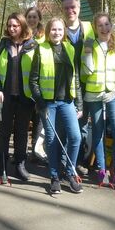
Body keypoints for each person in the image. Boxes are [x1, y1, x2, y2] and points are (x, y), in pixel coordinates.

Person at [30, 18, 84, 195]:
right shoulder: (41, 49)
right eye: (53, 29)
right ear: (48, 31)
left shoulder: (70, 48)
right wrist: (40, 103)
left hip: (67, 102)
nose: (57, 32)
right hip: (48, 104)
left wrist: (79, 104)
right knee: (52, 141)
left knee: (75, 137)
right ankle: (54, 177)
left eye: (60, 29)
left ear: (64, 32)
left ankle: (70, 172)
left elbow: (75, 78)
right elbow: (33, 80)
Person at [81, 12, 115, 192]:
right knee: (97, 133)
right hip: (94, 95)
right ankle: (101, 170)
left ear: (111, 25)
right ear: (95, 28)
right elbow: (85, 73)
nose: (104, 28)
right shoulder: (90, 44)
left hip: (114, 94)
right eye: (100, 25)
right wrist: (87, 53)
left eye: (107, 24)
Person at [0, 13, 36, 183]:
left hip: (26, 97)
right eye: (9, 25)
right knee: (3, 132)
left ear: (22, 26)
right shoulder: (2, 45)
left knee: (22, 132)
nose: (12, 28)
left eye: (15, 25)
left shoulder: (32, 45)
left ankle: (20, 164)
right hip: (5, 97)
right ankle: (1, 167)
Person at [61, 0, 95, 176]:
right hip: (64, 85)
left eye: (73, 7)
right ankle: (64, 161)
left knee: (81, 125)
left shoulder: (90, 28)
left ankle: (77, 161)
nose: (70, 10)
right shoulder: (59, 29)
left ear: (79, 8)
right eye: (66, 7)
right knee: (66, 125)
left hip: (86, 84)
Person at [25, 6, 46, 161]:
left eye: (34, 17)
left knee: (39, 121)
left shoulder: (44, 37)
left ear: (39, 19)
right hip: (24, 86)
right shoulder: (21, 35)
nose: (32, 20)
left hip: (40, 86)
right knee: (24, 121)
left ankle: (36, 151)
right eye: (29, 17)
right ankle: (22, 150)